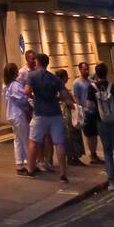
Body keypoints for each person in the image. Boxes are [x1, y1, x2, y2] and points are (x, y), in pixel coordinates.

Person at [25, 51, 72, 182]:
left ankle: (30, 170)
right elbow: (64, 96)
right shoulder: (55, 78)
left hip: (40, 113)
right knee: (59, 143)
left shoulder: (32, 75)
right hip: (55, 114)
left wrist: (34, 97)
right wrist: (55, 98)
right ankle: (63, 173)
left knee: (34, 141)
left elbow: (27, 91)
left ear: (37, 62)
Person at [87, 62, 114, 190]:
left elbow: (90, 107)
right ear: (106, 72)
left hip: (101, 122)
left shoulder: (92, 88)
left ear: (96, 73)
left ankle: (112, 182)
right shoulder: (113, 87)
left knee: (107, 151)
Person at [2, 62, 31, 173]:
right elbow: (23, 99)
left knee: (18, 139)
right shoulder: (15, 85)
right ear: (15, 72)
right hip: (18, 114)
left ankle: (19, 163)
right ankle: (30, 163)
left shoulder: (6, 85)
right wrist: (28, 107)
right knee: (25, 139)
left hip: (11, 114)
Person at [72, 62, 101, 164]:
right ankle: (92, 154)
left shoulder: (91, 82)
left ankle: (94, 153)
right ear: (80, 69)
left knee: (95, 134)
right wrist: (80, 109)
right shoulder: (77, 83)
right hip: (86, 111)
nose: (87, 71)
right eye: (85, 69)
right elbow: (76, 96)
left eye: (88, 69)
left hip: (94, 111)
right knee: (89, 134)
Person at [56, 70, 84, 165]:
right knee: (71, 135)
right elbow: (67, 101)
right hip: (67, 115)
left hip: (65, 114)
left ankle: (71, 156)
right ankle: (73, 157)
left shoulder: (59, 88)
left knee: (69, 136)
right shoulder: (61, 89)